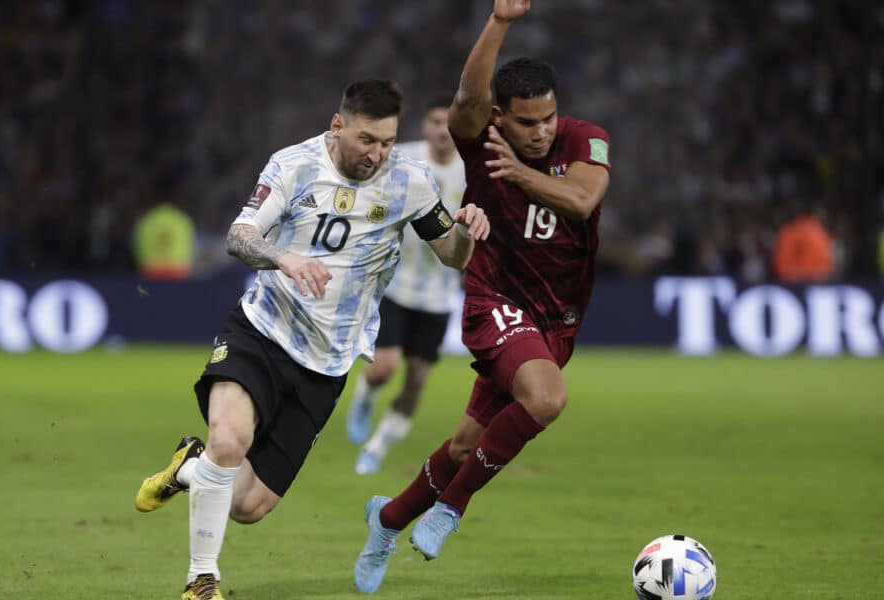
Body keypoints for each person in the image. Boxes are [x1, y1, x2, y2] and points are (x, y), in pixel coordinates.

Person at [133, 79, 490, 600]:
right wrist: (285, 257)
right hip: (263, 329)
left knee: (248, 506)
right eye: (368, 140)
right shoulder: (294, 165)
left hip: (328, 361)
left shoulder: (409, 181)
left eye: (388, 142)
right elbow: (240, 234)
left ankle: (191, 465)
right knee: (229, 442)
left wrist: (469, 231)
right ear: (338, 125)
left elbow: (453, 256)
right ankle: (201, 580)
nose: (378, 154)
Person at [353, 1, 611, 593]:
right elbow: (467, 101)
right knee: (545, 400)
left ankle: (387, 519)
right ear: (503, 117)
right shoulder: (482, 137)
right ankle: (452, 508)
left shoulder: (587, 139)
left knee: (469, 441)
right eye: (526, 123)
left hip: (556, 320)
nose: (541, 130)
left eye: (548, 118)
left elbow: (581, 201)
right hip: (494, 298)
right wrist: (500, 21)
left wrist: (519, 175)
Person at [346, 94, 468, 475]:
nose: (442, 131)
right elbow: (372, 200)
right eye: (435, 122)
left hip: (440, 294)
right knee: (384, 366)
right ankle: (365, 396)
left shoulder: (471, 171)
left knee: (416, 380)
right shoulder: (404, 158)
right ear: (425, 127)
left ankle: (376, 448)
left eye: (449, 124)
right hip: (396, 283)